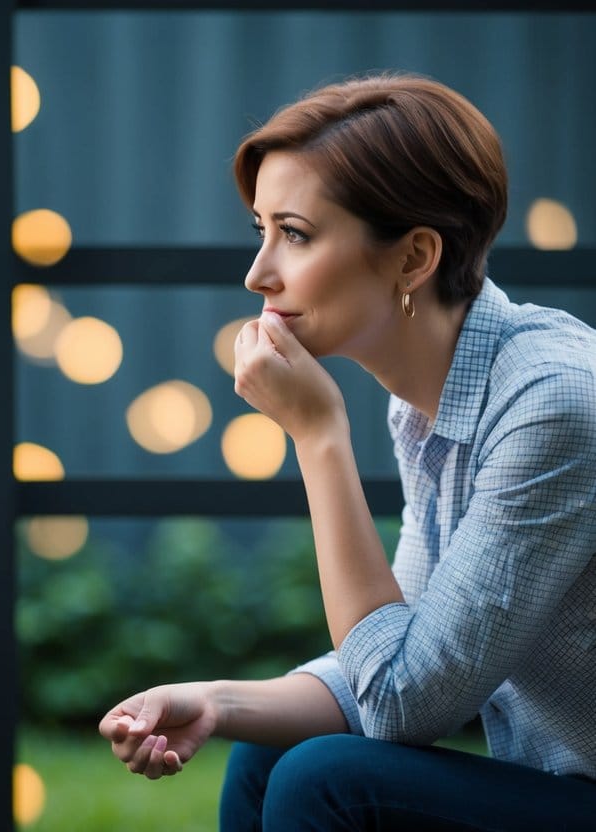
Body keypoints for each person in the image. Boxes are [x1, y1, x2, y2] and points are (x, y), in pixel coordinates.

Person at [100, 71, 596, 830]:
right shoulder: (435, 393)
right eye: (258, 230)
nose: (257, 273)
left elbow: (403, 703)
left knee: (326, 778)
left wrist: (316, 436)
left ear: (412, 258)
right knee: (267, 751)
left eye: (293, 234)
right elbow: (398, 662)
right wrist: (217, 701)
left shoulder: (552, 404)